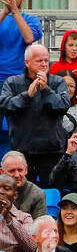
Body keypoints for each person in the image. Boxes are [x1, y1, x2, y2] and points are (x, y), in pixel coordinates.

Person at [0, 43, 71, 185]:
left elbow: (63, 106)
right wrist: (27, 95)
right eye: (40, 61)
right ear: (27, 62)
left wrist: (46, 90)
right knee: (20, 196)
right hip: (23, 152)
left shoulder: (57, 82)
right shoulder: (13, 82)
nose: (44, 64)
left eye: (46, 60)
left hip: (52, 152)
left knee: (53, 194)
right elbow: (5, 105)